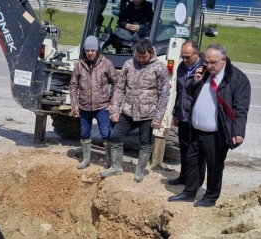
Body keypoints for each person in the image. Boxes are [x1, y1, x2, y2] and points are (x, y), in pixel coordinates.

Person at [168, 43, 251, 207]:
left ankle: (211, 197)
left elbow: (240, 108)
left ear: (223, 60)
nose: (208, 66)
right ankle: (189, 192)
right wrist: (196, 81)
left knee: (214, 166)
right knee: (192, 162)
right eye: (206, 62)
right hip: (196, 130)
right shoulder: (205, 72)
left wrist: (238, 132)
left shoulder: (237, 78)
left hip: (216, 133)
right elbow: (192, 93)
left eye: (212, 62)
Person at [103, 38, 169, 182]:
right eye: (138, 56)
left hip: (148, 113)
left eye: (143, 57)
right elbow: (119, 89)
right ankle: (116, 167)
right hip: (128, 110)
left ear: (150, 53)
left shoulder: (159, 68)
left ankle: (140, 170)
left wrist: (158, 118)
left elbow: (164, 94)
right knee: (115, 136)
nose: (140, 59)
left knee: (145, 141)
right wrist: (115, 110)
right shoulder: (128, 64)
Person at [70, 36, 118, 170]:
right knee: (84, 133)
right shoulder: (79, 65)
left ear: (97, 50)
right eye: (88, 50)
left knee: (106, 134)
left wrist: (112, 102)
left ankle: (110, 162)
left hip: (102, 106)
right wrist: (74, 104)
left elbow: (116, 82)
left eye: (93, 50)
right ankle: (86, 160)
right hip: (84, 106)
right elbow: (73, 85)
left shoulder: (106, 64)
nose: (90, 53)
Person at [168, 41, 206, 187]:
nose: (184, 60)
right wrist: (175, 113)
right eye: (182, 56)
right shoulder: (182, 67)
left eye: (187, 57)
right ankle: (183, 177)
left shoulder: (205, 69)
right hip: (183, 115)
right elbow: (180, 92)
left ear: (197, 54)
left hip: (197, 118)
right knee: (184, 149)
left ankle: (196, 181)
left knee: (197, 151)